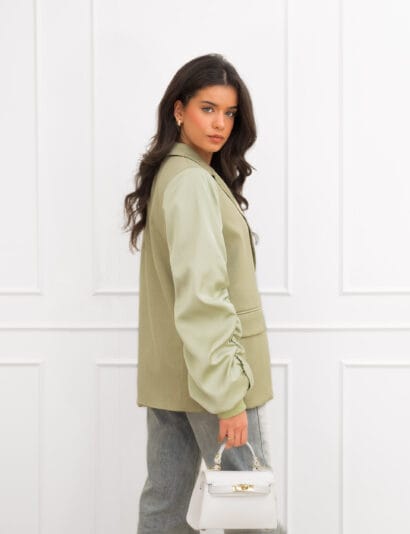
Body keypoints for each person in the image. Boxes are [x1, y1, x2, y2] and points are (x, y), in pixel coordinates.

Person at [123, 53, 277, 534]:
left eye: (229, 113)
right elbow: (204, 295)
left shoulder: (177, 173)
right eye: (207, 109)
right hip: (215, 379)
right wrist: (229, 397)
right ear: (179, 110)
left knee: (165, 508)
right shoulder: (191, 181)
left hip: (176, 375)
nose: (220, 124)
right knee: (251, 510)